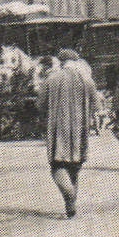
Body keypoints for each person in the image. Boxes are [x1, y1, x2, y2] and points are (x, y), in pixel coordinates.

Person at [42, 48, 96, 218]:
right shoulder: (87, 79)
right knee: (74, 167)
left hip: (58, 128)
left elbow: (40, 104)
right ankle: (70, 205)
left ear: (61, 61)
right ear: (76, 62)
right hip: (80, 128)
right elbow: (95, 104)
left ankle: (69, 195)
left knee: (57, 165)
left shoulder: (51, 78)